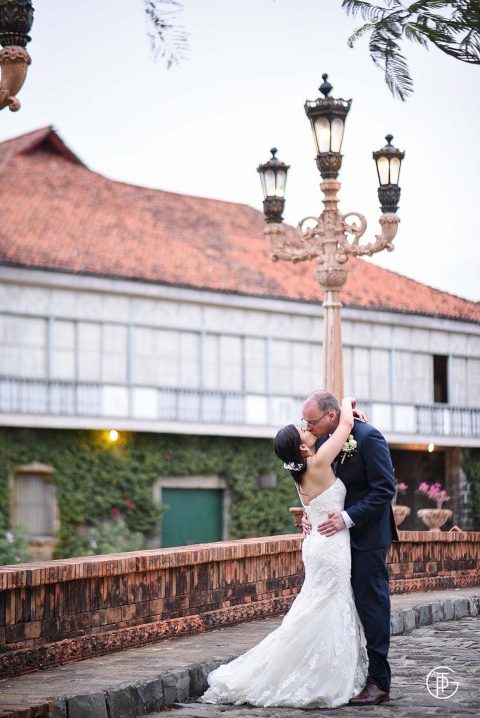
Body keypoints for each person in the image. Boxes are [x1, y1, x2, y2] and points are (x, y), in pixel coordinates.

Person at [201, 396, 368, 709]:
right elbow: (345, 423)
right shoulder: (318, 462)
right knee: (327, 607)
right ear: (302, 448)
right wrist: (347, 401)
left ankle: (314, 668)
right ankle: (322, 675)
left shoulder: (302, 471)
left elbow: (314, 507)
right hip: (329, 546)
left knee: (315, 608)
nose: (308, 429)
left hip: (317, 543)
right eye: (302, 430)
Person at [301, 389, 398, 706]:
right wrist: (309, 513)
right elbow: (323, 487)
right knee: (343, 608)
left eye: (311, 422)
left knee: (372, 605)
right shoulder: (325, 444)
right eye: (304, 422)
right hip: (335, 544)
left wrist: (346, 518)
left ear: (331, 416)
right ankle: (346, 674)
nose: (307, 427)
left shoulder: (368, 438)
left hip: (367, 537)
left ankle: (379, 682)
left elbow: (384, 490)